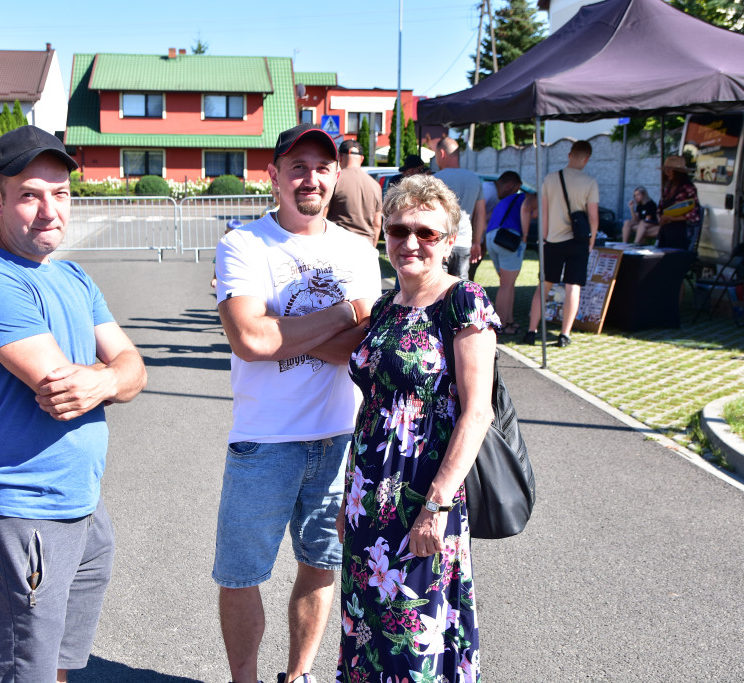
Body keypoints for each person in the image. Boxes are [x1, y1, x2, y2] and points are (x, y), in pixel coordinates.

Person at [0, 126, 147, 682]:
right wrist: (110, 377)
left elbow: (134, 370)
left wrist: (106, 380)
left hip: (83, 504)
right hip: (26, 511)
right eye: (30, 195)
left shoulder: (73, 276)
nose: (49, 210)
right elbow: (62, 388)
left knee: (59, 665)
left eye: (60, 194)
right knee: (25, 673)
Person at [213, 123, 382, 683]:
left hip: (339, 436)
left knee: (321, 564)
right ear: (275, 176)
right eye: (298, 167)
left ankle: (299, 674)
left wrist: (280, 325)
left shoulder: (358, 251)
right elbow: (251, 341)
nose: (311, 178)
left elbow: (363, 348)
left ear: (337, 176)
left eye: (322, 167)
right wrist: (340, 314)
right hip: (264, 439)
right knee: (241, 574)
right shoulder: (243, 244)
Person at [337, 174, 500, 683]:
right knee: (366, 624)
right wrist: (350, 497)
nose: (411, 242)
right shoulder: (386, 307)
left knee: (414, 628)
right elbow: (372, 409)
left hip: (423, 498)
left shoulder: (464, 303)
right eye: (399, 229)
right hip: (369, 497)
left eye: (427, 233)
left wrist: (436, 506)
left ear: (449, 242)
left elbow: (477, 412)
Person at [524, 139, 598, 348]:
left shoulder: (550, 179)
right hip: (578, 242)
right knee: (572, 287)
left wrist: (545, 238)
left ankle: (531, 330)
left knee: (543, 286)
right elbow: (593, 217)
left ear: (569, 155)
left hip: (552, 240)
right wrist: (591, 240)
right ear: (586, 159)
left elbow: (543, 213)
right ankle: (564, 334)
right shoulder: (589, 182)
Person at [485, 190, 537, 334]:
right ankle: (501, 325)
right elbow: (528, 208)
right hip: (509, 239)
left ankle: (509, 321)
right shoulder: (530, 199)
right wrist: (526, 236)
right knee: (506, 286)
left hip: (492, 237)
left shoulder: (512, 198)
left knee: (507, 284)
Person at [433, 137, 486, 280]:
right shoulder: (474, 179)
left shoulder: (435, 180)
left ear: (442, 153)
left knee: (438, 287)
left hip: (440, 241)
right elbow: (480, 214)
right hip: (464, 241)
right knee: (459, 289)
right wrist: (476, 242)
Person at [325, 139, 383, 246]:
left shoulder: (334, 180)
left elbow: (322, 216)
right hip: (366, 246)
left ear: (340, 157)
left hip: (338, 244)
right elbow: (377, 223)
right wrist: (373, 248)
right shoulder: (375, 185)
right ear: (362, 159)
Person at [471, 170, 522, 281]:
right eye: (516, 190)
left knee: (471, 271)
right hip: (473, 241)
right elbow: (474, 213)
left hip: (480, 240)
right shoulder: (488, 191)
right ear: (508, 186)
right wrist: (479, 238)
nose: (515, 194)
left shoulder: (495, 194)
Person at [657, 155, 700, 249]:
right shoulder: (668, 188)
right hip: (665, 231)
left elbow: (694, 215)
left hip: (680, 232)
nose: (667, 172)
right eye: (666, 169)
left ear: (678, 172)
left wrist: (672, 218)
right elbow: (660, 208)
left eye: (670, 170)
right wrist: (661, 218)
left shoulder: (688, 188)